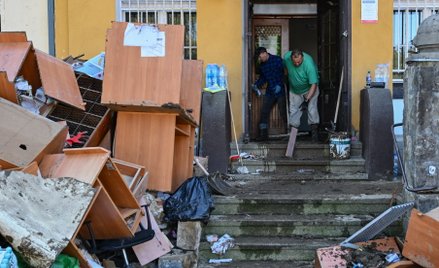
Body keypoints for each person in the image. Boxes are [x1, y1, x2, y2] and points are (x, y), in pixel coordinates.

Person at [283, 49, 320, 142]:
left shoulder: (309, 64)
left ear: (302, 57)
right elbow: (285, 67)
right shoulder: (286, 57)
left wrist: (307, 100)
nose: (296, 64)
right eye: (294, 62)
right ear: (291, 58)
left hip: (310, 89)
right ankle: (293, 137)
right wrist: (286, 75)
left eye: (299, 62)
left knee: (312, 110)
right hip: (294, 90)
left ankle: (314, 135)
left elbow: (314, 84)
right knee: (294, 111)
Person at [252, 47, 287, 141]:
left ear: (264, 53)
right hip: (270, 92)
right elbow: (263, 78)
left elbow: (285, 74)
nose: (260, 59)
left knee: (284, 112)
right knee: (264, 112)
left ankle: (289, 134)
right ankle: (263, 136)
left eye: (260, 57)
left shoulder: (277, 60)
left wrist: (280, 84)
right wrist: (256, 85)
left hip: (281, 91)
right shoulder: (263, 66)